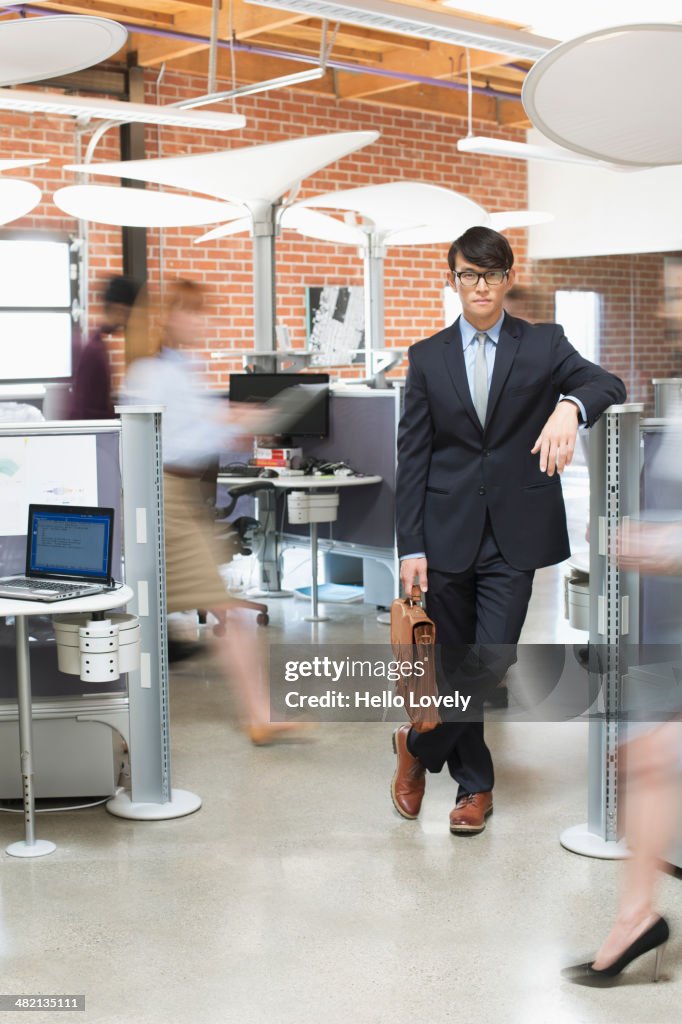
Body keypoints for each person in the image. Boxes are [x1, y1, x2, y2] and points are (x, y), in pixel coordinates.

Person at [393, 226, 626, 835]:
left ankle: (416, 749)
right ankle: (477, 786)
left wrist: (569, 407)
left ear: (508, 278)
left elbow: (608, 383)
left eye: (491, 274)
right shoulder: (427, 356)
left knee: (488, 662)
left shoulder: (544, 344)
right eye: (468, 274)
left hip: (514, 536)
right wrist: (410, 546)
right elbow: (412, 457)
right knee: (453, 664)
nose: (480, 285)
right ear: (453, 279)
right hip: (444, 535)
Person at [124, 279, 307, 745]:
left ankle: (258, 714)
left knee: (221, 613)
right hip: (162, 497)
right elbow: (166, 442)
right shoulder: (152, 372)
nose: (202, 321)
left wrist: (229, 418)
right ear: (167, 315)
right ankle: (253, 716)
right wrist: (233, 421)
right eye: (193, 312)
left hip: (180, 497)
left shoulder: (180, 366)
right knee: (219, 612)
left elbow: (192, 427)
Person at [68, 275, 141, 420]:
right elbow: (88, 411)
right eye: (126, 314)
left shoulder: (96, 345)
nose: (125, 322)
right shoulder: (95, 352)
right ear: (118, 309)